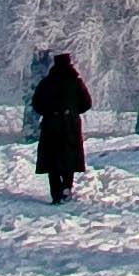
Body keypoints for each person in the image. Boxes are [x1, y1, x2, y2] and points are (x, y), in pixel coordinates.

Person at [31, 50, 91, 203]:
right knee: (68, 157)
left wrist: (49, 113)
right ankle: (67, 187)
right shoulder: (76, 81)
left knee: (53, 159)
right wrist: (73, 112)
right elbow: (86, 103)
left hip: (51, 124)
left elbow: (36, 103)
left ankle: (56, 194)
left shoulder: (46, 82)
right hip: (70, 124)